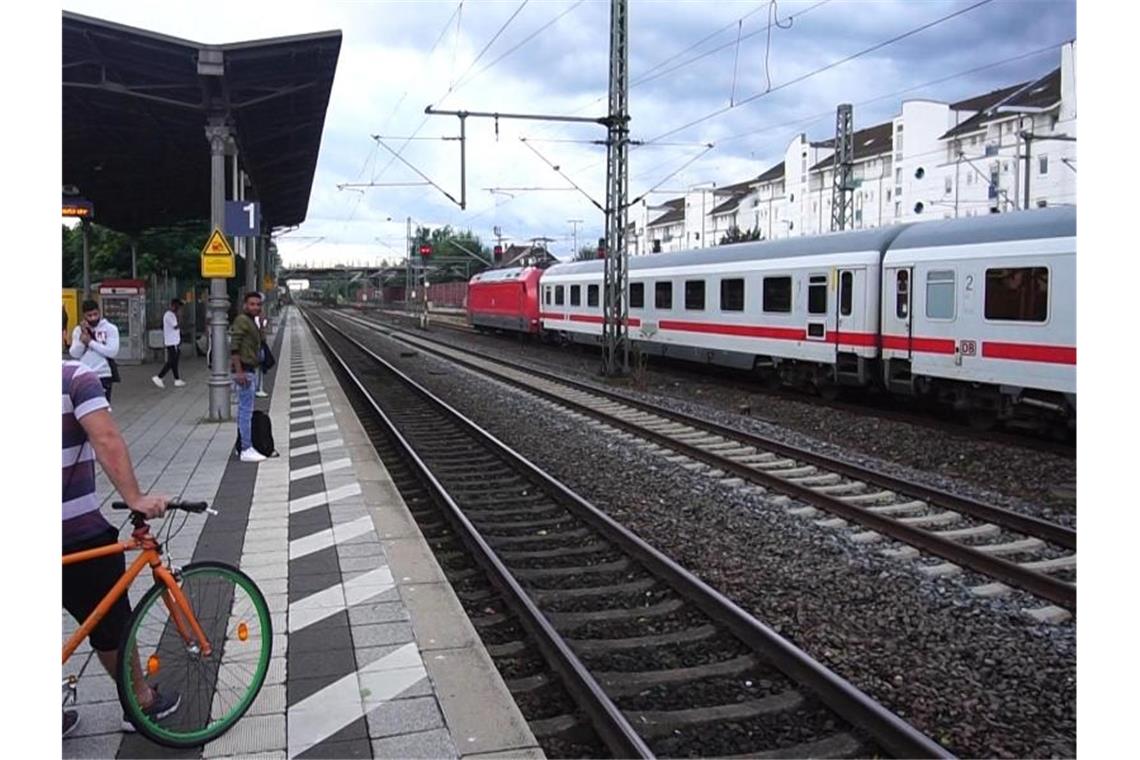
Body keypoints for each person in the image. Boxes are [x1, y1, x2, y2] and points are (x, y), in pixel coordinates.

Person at [62, 360, 180, 737]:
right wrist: (135, 497)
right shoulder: (74, 377)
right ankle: (140, 702)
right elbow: (106, 439)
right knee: (112, 623)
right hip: (73, 532)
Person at [230, 292, 265, 462]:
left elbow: (261, 340)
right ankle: (246, 448)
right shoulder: (242, 321)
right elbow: (234, 347)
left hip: (249, 369)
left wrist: (261, 323)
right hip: (244, 370)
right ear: (245, 305)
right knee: (245, 412)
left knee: (245, 411)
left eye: (258, 304)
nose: (256, 307)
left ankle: (241, 446)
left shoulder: (251, 321)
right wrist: (239, 371)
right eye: (252, 304)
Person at [69, 300, 119, 402]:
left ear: (99, 312)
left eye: (95, 314)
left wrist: (90, 342)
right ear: (84, 316)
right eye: (89, 315)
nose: (93, 318)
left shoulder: (110, 328)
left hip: (103, 374)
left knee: (102, 405)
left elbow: (112, 351)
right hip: (83, 374)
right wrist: (82, 340)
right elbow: (74, 354)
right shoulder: (78, 330)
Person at [152, 298, 186, 388]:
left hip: (174, 341)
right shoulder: (169, 315)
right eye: (179, 307)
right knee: (172, 361)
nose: (180, 309)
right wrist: (180, 317)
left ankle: (177, 379)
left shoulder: (172, 315)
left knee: (175, 360)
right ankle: (159, 376)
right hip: (172, 341)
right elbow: (176, 326)